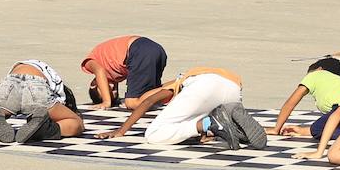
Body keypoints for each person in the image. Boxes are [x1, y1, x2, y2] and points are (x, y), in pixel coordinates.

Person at [96, 66, 267, 150]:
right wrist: (201, 136)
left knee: (154, 135)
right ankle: (235, 127)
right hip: (233, 87)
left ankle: (209, 124)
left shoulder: (178, 83)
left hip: (204, 85)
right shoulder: (199, 75)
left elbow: (147, 102)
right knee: (211, 115)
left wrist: (121, 131)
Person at [0, 59, 83, 144]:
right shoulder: (61, 93)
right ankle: (45, 130)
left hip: (10, 84)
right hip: (36, 87)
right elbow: (62, 110)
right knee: (76, 122)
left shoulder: (46, 71)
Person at [267, 57, 340, 139]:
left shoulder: (316, 75)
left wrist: (276, 129)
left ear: (319, 69)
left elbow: (290, 103)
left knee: (317, 129)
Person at [80, 35, 169, 110]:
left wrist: (106, 101)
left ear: (94, 84)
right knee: (151, 97)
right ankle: (176, 84)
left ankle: (176, 84)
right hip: (155, 49)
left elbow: (100, 71)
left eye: (106, 90)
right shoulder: (116, 73)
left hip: (138, 49)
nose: (111, 89)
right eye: (113, 92)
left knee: (131, 103)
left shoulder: (89, 63)